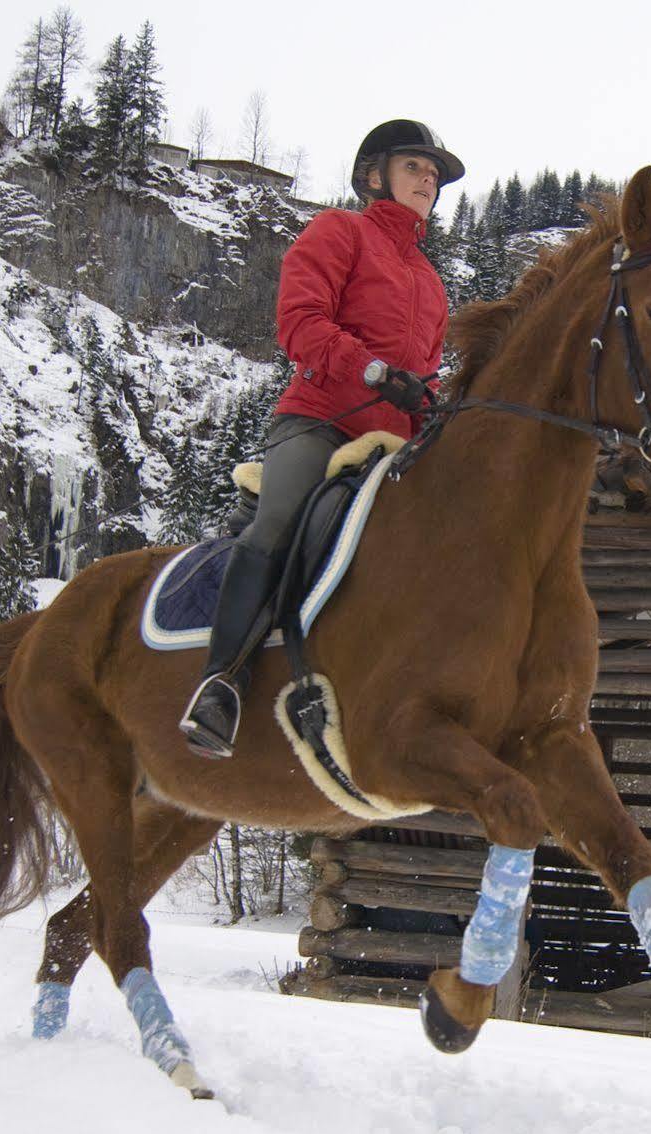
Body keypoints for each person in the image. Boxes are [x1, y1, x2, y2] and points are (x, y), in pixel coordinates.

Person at [180, 119, 464, 759]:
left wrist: (437, 405)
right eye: (415, 167)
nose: (428, 180)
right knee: (277, 524)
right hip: (320, 421)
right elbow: (300, 323)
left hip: (394, 447)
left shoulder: (430, 279)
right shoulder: (339, 231)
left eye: (434, 175)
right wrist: (372, 371)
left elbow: (427, 375)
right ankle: (220, 683)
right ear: (374, 176)